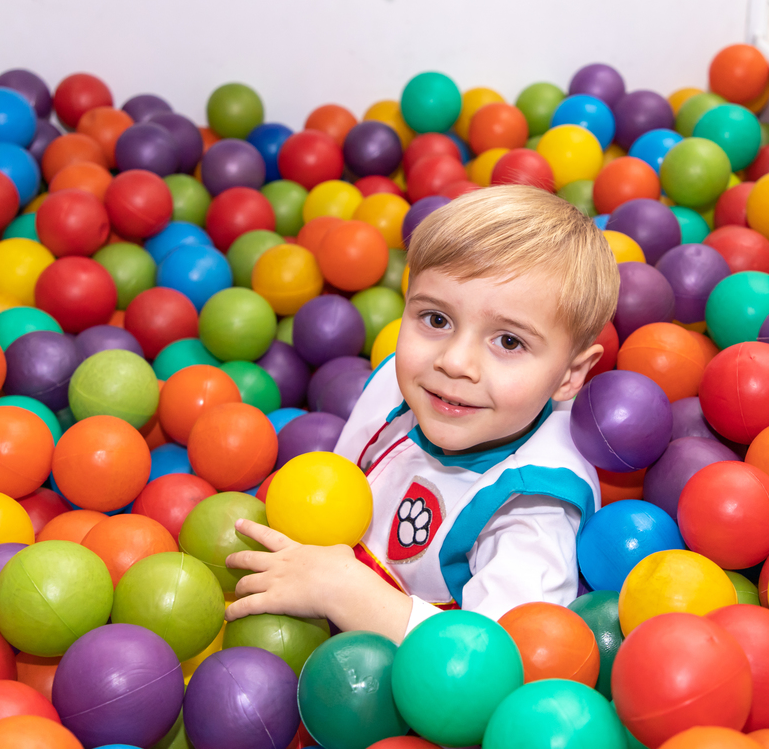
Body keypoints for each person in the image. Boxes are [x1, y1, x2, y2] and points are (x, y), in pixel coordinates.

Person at [224, 185, 620, 643]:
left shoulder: (532, 506)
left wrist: (341, 590)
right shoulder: (403, 379)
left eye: (509, 341)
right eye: (436, 320)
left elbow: (494, 660)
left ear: (570, 375)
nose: (453, 362)